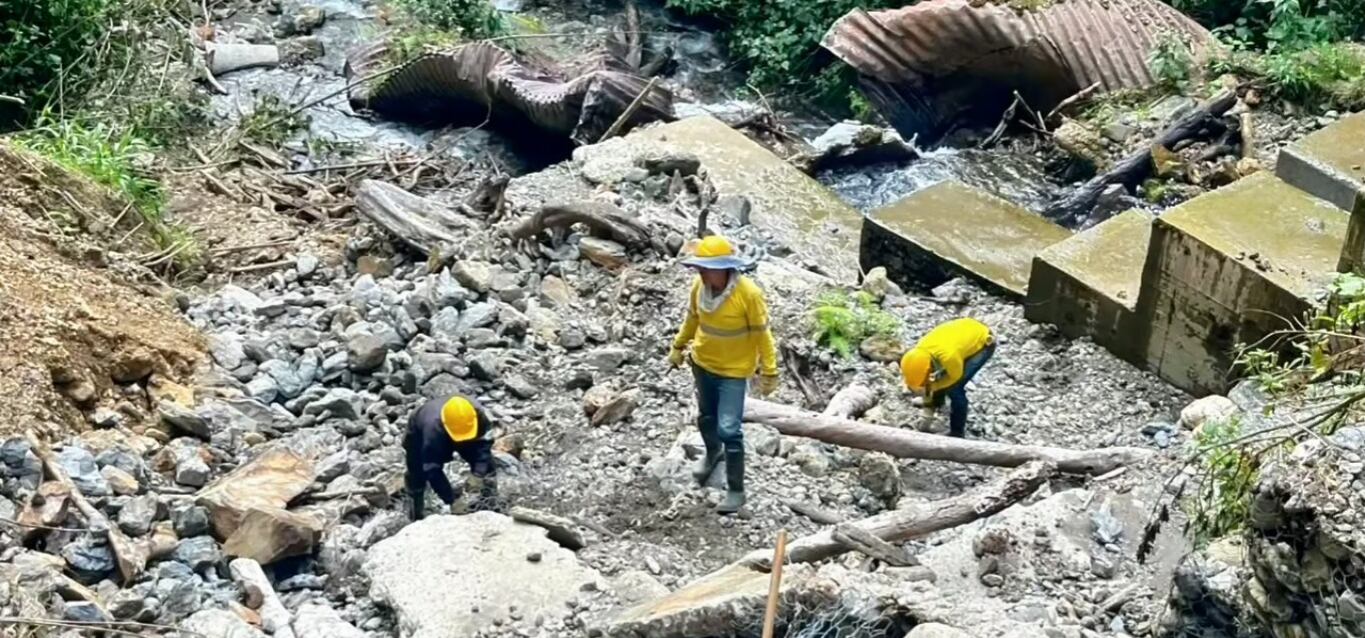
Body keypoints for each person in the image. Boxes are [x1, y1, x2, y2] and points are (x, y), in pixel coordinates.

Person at [667, 235, 779, 514]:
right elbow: (692, 319)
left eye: (706, 268)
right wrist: (678, 346)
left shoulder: (748, 294)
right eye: (699, 268)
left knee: (729, 428)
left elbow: (762, 335)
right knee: (706, 417)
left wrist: (770, 370)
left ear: (724, 268)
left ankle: (736, 490)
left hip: (733, 371)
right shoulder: (699, 287)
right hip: (703, 363)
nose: (701, 273)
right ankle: (711, 452)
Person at [404, 393, 499, 520]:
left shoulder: (477, 413)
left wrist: (478, 473)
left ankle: (490, 504)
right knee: (417, 473)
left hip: (464, 429)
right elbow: (432, 469)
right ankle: (416, 515)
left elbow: (484, 443)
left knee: (487, 466)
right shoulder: (432, 430)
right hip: (419, 431)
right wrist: (451, 500)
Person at [900, 318, 995, 438]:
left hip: (983, 343)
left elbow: (954, 377)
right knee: (937, 380)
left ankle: (957, 432)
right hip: (964, 335)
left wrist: (932, 389)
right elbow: (928, 380)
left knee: (955, 389)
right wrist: (929, 397)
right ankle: (937, 403)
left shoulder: (948, 357)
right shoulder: (918, 354)